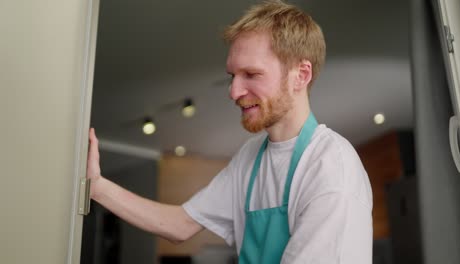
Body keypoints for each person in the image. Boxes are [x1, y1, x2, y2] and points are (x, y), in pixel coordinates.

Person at [87, 1, 373, 263]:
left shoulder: (331, 165)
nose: (234, 91)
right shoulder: (250, 158)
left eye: (251, 74)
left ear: (301, 75)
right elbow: (180, 225)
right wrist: (97, 187)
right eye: (232, 76)